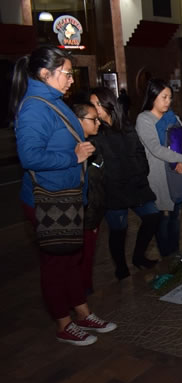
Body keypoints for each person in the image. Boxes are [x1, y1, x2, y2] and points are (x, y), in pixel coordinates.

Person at [11, 45, 116, 346]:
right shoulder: (34, 107)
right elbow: (30, 157)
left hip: (68, 198)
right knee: (56, 264)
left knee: (71, 259)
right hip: (49, 201)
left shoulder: (53, 101)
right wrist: (73, 157)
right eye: (67, 74)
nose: (72, 79)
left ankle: (82, 311)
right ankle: (63, 322)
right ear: (46, 74)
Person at [92, 87, 160, 278]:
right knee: (119, 230)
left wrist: (142, 170)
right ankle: (121, 267)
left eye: (98, 103)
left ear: (108, 103)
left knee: (153, 217)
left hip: (136, 184)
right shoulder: (95, 131)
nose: (95, 108)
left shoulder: (125, 124)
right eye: (93, 104)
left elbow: (139, 150)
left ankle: (138, 257)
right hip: (114, 190)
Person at [136, 79, 182, 256]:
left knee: (175, 217)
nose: (168, 101)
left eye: (170, 97)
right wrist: (181, 159)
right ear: (153, 97)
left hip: (177, 176)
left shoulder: (173, 118)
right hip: (159, 177)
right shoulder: (144, 119)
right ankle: (166, 257)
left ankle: (175, 254)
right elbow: (155, 148)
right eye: (164, 97)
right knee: (162, 220)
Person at [72, 102, 102, 294]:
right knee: (78, 258)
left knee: (88, 255)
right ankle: (79, 294)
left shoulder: (93, 146)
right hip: (81, 213)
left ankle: (84, 290)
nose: (98, 122)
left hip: (92, 211)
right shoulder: (75, 149)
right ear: (78, 121)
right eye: (93, 119)